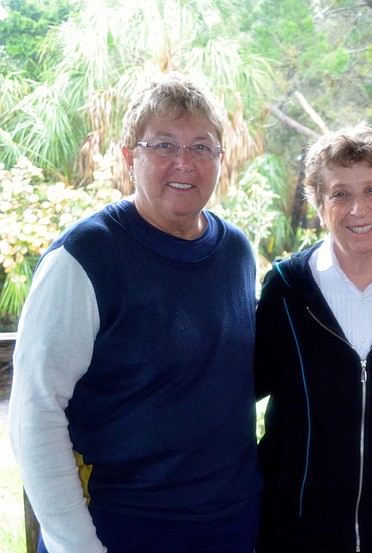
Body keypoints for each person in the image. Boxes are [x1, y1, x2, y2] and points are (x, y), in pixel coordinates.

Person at [9, 73, 262, 553]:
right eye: (163, 145)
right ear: (130, 157)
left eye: (202, 147)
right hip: (119, 528)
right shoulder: (83, 258)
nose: (183, 162)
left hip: (231, 524)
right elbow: (34, 413)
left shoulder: (236, 252)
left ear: (220, 160)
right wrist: (77, 546)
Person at [253, 123, 372, 552]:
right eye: (340, 194)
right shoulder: (286, 288)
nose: (358, 208)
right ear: (321, 206)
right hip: (296, 530)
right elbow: (242, 387)